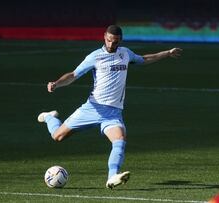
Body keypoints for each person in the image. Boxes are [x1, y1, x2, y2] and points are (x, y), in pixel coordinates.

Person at [37, 25, 183, 189]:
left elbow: (145, 59)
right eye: (109, 41)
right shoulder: (95, 57)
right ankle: (50, 117)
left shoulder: (125, 53)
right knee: (58, 137)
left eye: (115, 42)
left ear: (120, 41)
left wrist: (167, 53)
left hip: (113, 113)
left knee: (119, 140)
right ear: (104, 37)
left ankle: (112, 176)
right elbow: (73, 75)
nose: (112, 45)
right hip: (92, 108)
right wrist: (56, 83)